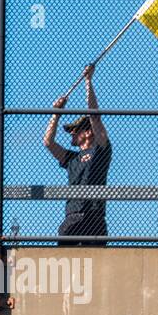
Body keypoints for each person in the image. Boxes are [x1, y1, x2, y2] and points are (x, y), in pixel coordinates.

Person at [43, 64, 111, 246]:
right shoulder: (72, 158)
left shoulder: (100, 150)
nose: (71, 134)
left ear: (88, 132)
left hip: (94, 216)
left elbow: (95, 117)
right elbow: (48, 142)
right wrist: (56, 114)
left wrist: (88, 82)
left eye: (75, 130)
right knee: (66, 260)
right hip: (73, 216)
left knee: (97, 264)